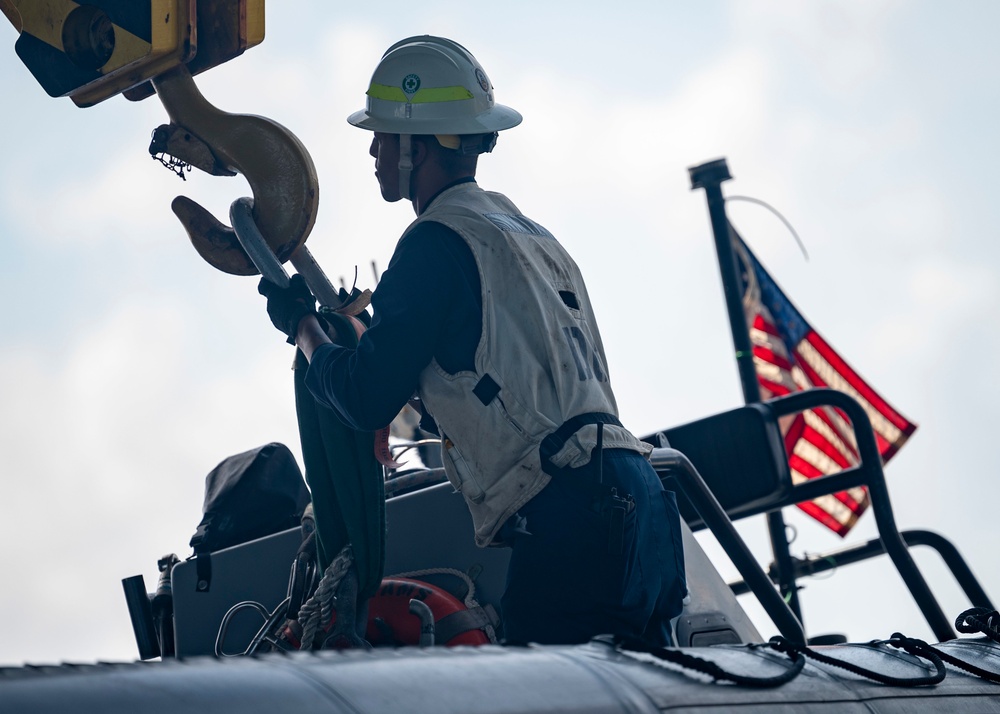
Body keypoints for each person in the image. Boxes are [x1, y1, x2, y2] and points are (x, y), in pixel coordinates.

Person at [259, 35, 686, 646]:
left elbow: (362, 397)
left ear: (416, 146)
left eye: (382, 136)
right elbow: (487, 377)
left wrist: (304, 328)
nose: (374, 151)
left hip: (569, 520)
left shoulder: (433, 243)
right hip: (640, 504)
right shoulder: (527, 235)